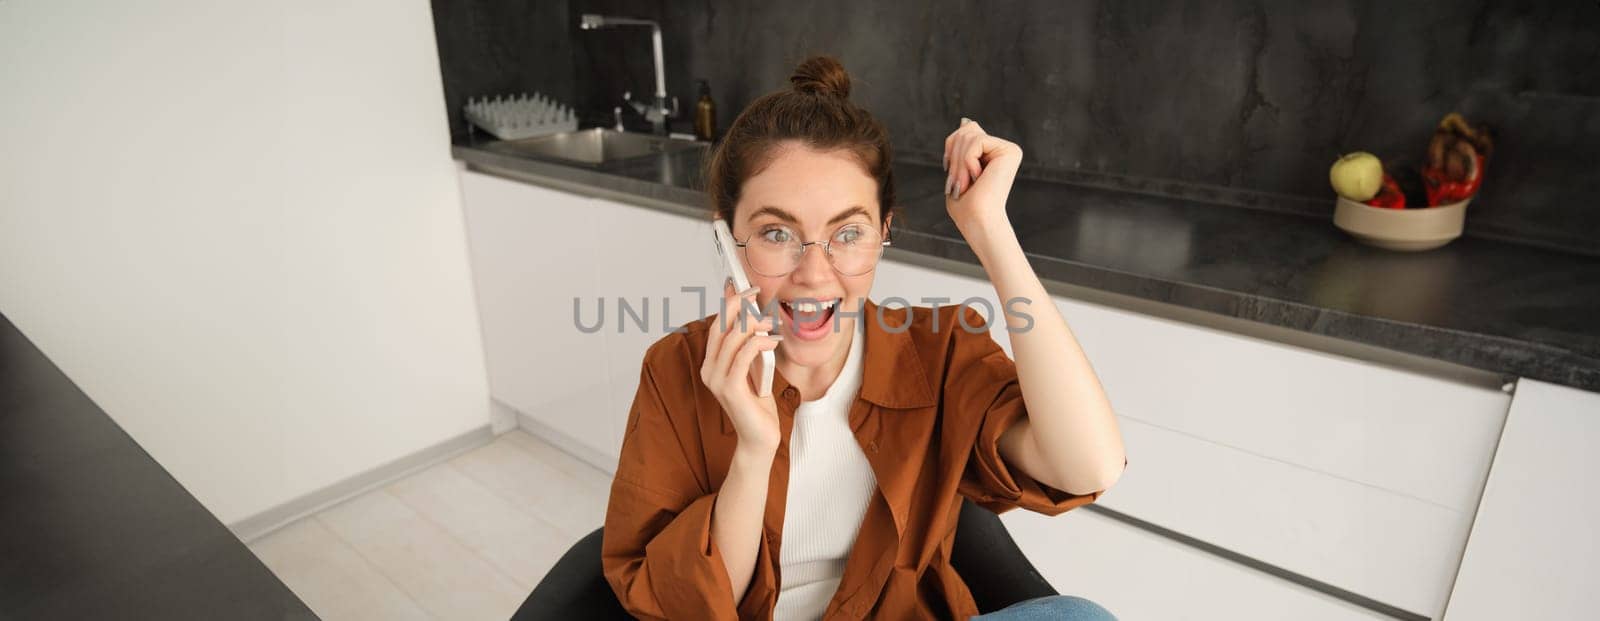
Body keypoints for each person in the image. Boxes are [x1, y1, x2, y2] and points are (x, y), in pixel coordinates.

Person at [601, 55, 1126, 620]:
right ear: (727, 240)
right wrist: (754, 449)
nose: (815, 273)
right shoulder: (679, 369)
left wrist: (990, 228)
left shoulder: (938, 351)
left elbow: (1087, 467)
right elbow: (694, 607)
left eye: (848, 233)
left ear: (884, 234)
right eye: (776, 232)